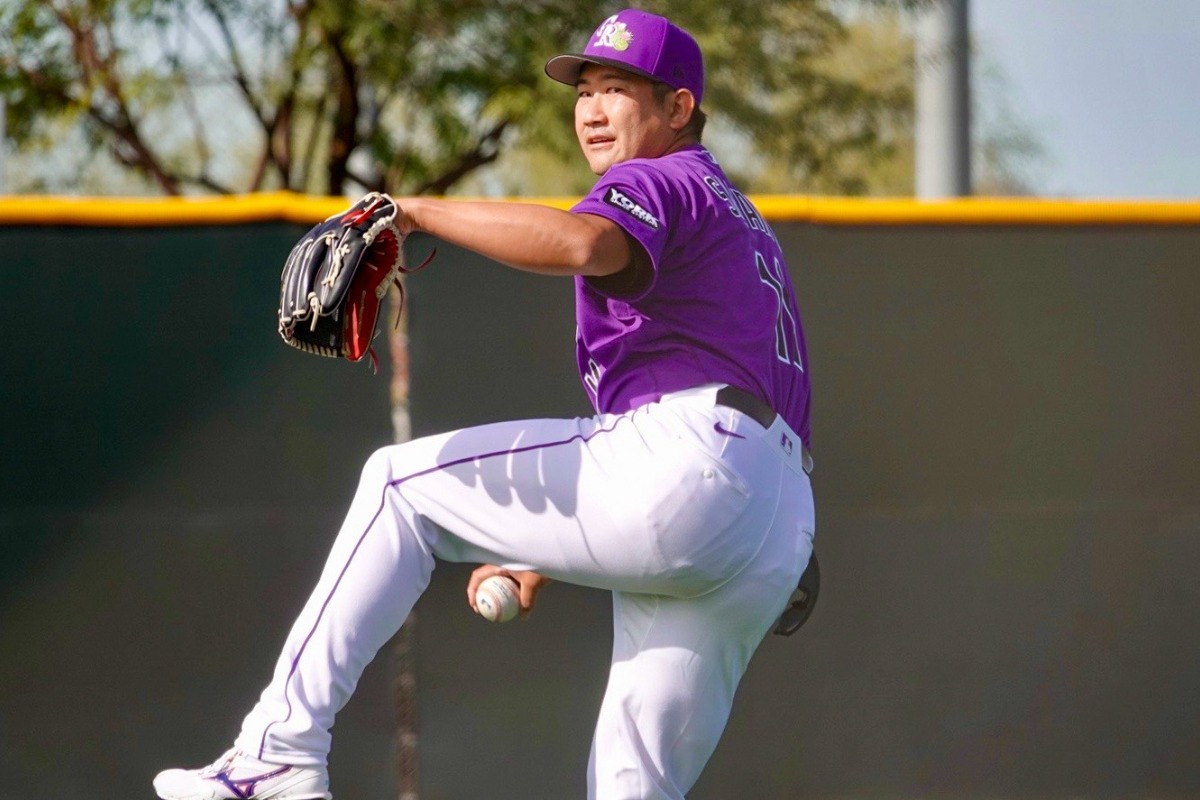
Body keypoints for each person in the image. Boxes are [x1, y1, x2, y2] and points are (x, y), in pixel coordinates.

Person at [153, 8, 814, 800]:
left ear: (678, 109)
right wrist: (542, 544)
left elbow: (581, 245)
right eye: (586, 90)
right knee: (635, 786)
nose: (594, 108)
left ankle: (278, 751)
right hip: (775, 517)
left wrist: (416, 209)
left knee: (399, 486)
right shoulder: (742, 218)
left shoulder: (657, 178)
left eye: (619, 89)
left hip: (691, 459)